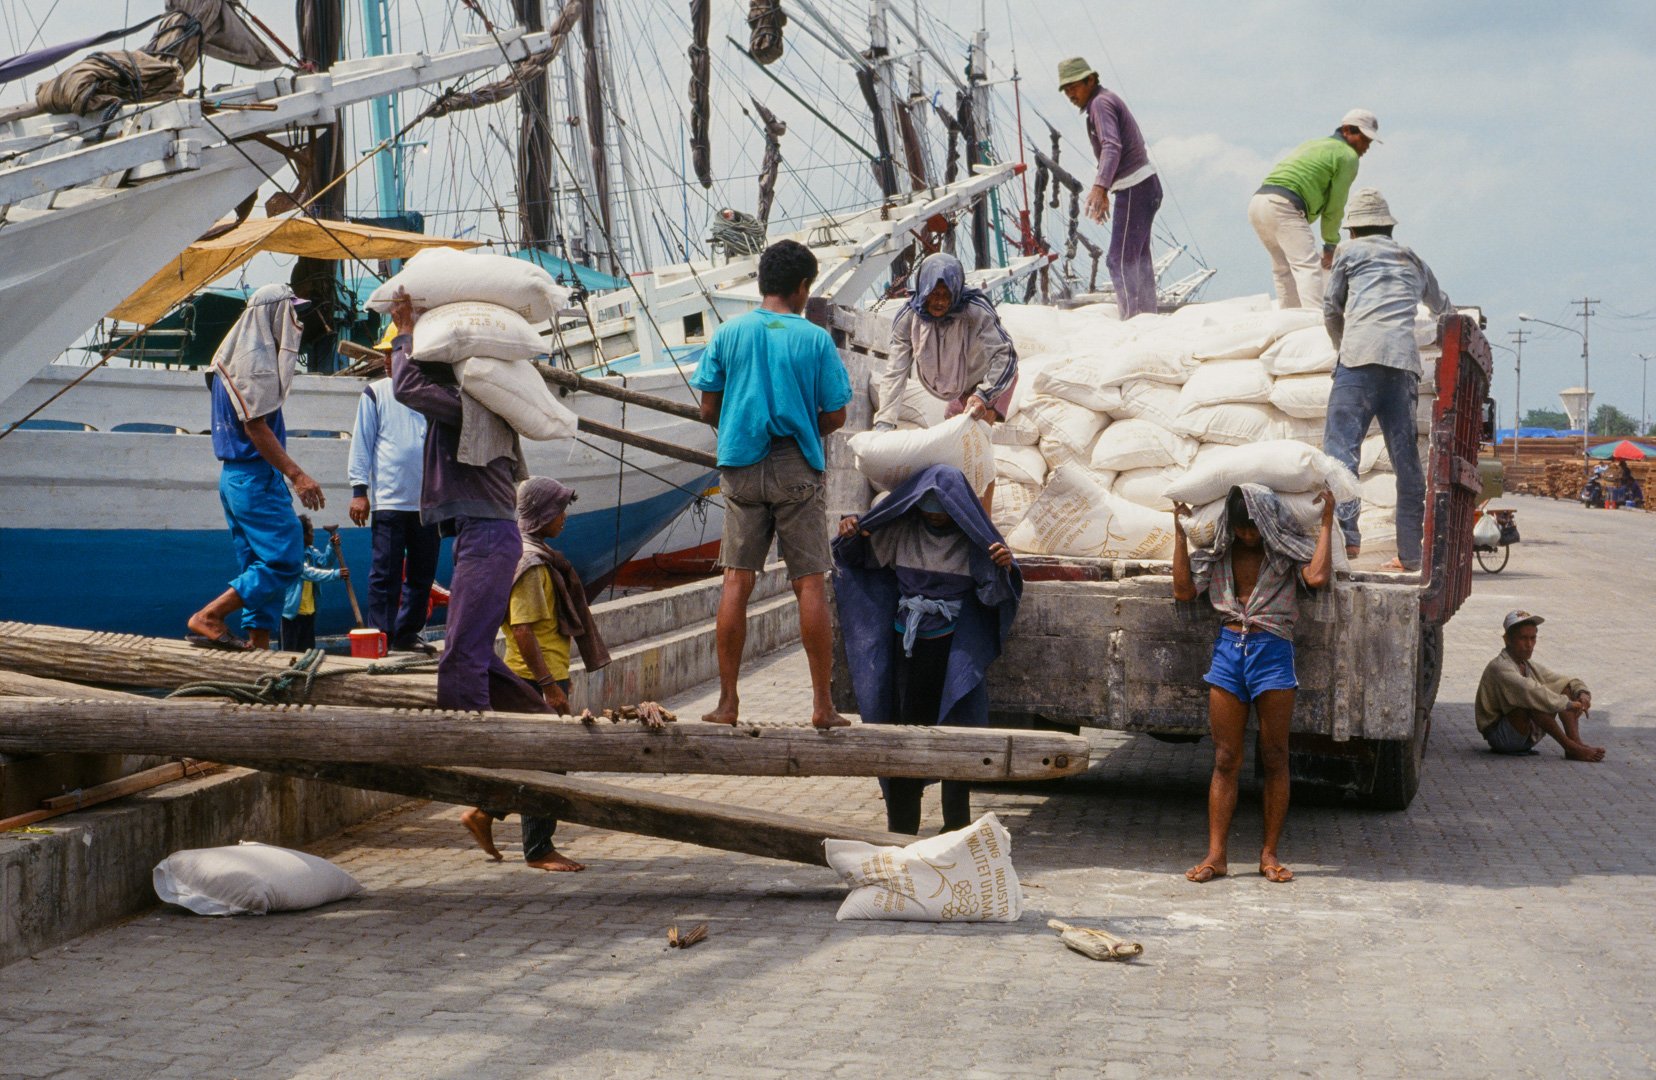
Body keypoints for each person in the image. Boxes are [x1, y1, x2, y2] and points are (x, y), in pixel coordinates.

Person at [388, 290, 574, 870]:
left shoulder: (474, 402)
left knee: (460, 659)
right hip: (481, 534)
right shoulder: (479, 394)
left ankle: (476, 786)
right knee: (482, 666)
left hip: (490, 539)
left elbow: (405, 388)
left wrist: (401, 333)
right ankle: (532, 749)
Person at [690, 239, 854, 729]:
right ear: (802, 287)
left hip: (740, 464)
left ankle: (727, 704)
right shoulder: (814, 340)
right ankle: (823, 707)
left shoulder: (728, 333)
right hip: (794, 466)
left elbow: (707, 409)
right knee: (810, 584)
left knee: (737, 581)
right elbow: (837, 412)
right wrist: (803, 423)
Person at [833, 465, 1021, 834]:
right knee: (904, 738)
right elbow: (859, 559)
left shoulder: (974, 540)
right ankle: (902, 831)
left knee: (958, 736)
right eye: (929, 509)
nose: (935, 517)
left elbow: (992, 595)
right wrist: (851, 534)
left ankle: (956, 829)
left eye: (942, 510)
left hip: (954, 652)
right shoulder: (901, 530)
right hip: (908, 648)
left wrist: (1001, 567)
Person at [1173, 484, 1336, 885]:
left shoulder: (1283, 554)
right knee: (1226, 758)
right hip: (1229, 651)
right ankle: (1217, 855)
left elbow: (1316, 576)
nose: (1248, 535)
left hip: (1273, 650)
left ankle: (1269, 854)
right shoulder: (1218, 555)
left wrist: (1328, 521)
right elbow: (1182, 590)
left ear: (1265, 524)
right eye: (1242, 528)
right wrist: (1179, 534)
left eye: (1254, 527)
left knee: (1276, 755)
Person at [460, 476, 612, 873]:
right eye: (559, 510)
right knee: (550, 763)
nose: (564, 518)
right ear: (542, 514)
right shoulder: (530, 565)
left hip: (539, 675)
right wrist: (548, 686)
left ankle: (484, 813)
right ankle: (538, 849)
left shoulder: (533, 554)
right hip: (532, 678)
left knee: (531, 762)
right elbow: (524, 629)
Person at [186, 284, 327, 651]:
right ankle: (209, 616)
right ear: (274, 316)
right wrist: (297, 475)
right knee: (285, 559)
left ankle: (258, 645)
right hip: (254, 476)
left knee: (256, 563)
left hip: (235, 478)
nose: (296, 321)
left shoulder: (227, 360)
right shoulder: (255, 363)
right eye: (291, 312)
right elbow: (255, 426)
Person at [1321, 188, 1454, 572]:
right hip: (1402, 367)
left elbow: (1331, 307)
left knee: (1341, 454)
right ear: (1387, 227)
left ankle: (1348, 537)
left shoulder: (1349, 253)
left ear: (1354, 230)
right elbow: (1442, 307)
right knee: (1407, 464)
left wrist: (1341, 347)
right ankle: (1411, 554)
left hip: (1358, 362)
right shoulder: (1411, 257)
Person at [348, 330, 440, 654]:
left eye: (393, 353)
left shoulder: (429, 394)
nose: (387, 360)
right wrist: (359, 491)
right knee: (384, 574)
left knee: (422, 574)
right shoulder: (375, 393)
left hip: (426, 502)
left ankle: (406, 634)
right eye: (386, 354)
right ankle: (381, 635)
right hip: (390, 500)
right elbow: (362, 444)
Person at [1057, 56, 1162, 319]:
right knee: (1138, 260)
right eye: (1066, 89)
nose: (1070, 93)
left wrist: (1100, 188)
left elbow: (1112, 146)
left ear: (1091, 80)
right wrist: (1106, 189)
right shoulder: (1101, 102)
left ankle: (1132, 320)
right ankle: (1148, 318)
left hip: (1135, 186)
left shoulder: (1100, 103)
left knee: (1120, 259)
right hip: (1142, 185)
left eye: (1074, 86)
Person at [1249, 109, 1379, 309]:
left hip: (1259, 202)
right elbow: (1335, 206)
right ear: (1347, 131)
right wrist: (1330, 245)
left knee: (1283, 269)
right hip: (1284, 204)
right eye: (1364, 139)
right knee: (1308, 267)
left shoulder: (1315, 143)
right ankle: (1316, 324)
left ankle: (1289, 319)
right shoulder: (1347, 156)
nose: (1366, 147)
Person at [872, 252, 1018, 430]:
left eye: (946, 295)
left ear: (955, 292)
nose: (940, 301)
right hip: (955, 387)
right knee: (953, 432)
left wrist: (983, 395)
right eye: (934, 293)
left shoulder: (975, 309)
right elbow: (896, 371)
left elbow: (1006, 356)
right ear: (924, 289)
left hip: (989, 381)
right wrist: (885, 420)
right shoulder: (909, 317)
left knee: (976, 432)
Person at [1475, 610, 1602, 762]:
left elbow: (1563, 681)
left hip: (1525, 733)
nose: (1529, 645)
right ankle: (1570, 747)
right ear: (1507, 639)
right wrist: (1567, 704)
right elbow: (1530, 691)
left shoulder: (1527, 664)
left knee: (1564, 688)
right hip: (1501, 737)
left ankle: (1576, 743)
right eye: (1523, 638)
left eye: (1533, 638)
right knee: (1535, 700)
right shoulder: (1500, 667)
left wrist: (1582, 694)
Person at [279, 516, 346, 652]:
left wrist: (332, 546)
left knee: (307, 651)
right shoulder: (290, 555)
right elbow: (308, 573)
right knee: (289, 652)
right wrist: (335, 574)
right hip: (291, 614)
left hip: (309, 612)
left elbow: (324, 562)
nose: (313, 534)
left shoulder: (310, 551)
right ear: (301, 535)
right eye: (310, 531)